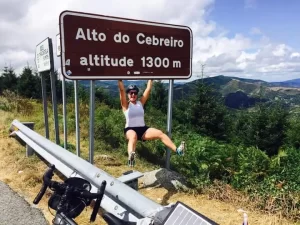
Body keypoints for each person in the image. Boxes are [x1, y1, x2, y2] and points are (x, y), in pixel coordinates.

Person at [118, 80, 185, 166]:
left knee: (160, 133)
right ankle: (131, 158)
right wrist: (119, 79)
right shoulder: (126, 106)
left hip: (143, 129)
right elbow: (121, 90)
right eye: (131, 93)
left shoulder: (140, 103)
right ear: (128, 94)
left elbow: (148, 89)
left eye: (135, 93)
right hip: (130, 129)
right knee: (133, 136)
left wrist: (151, 77)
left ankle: (178, 151)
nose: (133, 95)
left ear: (137, 94)